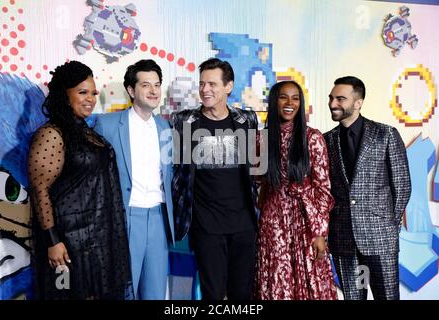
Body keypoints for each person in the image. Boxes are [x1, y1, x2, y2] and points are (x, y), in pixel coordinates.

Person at [28, 61, 132, 299]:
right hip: (68, 244)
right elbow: (39, 190)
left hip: (99, 239)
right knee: (67, 293)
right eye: (82, 92)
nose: (91, 99)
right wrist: (53, 241)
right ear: (65, 95)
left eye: (93, 93)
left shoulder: (86, 131)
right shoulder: (52, 134)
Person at [170, 58, 259, 300]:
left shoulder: (247, 120)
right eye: (201, 84)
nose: (205, 90)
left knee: (242, 294)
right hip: (206, 226)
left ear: (228, 86)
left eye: (212, 84)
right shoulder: (183, 121)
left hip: (244, 225)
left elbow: (255, 169)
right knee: (212, 293)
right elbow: (177, 172)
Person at [324, 76, 411, 300]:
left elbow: (402, 185)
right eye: (331, 98)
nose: (333, 103)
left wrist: (389, 226)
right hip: (343, 238)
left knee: (387, 297)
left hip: (380, 238)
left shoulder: (385, 134)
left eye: (340, 98)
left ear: (358, 102)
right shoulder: (326, 140)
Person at [94, 59, 174, 300]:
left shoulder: (166, 127)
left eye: (157, 85)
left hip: (159, 218)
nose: (153, 91)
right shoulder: (106, 125)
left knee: (155, 293)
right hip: (125, 217)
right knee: (122, 292)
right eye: (146, 85)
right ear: (131, 90)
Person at [254, 81, 337, 300]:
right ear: (274, 101)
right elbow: (256, 184)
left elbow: (324, 190)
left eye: (295, 98)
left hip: (305, 223)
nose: (290, 103)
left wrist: (319, 232)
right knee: (277, 285)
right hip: (273, 225)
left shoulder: (313, 138)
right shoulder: (260, 140)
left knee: (311, 286)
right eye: (283, 97)